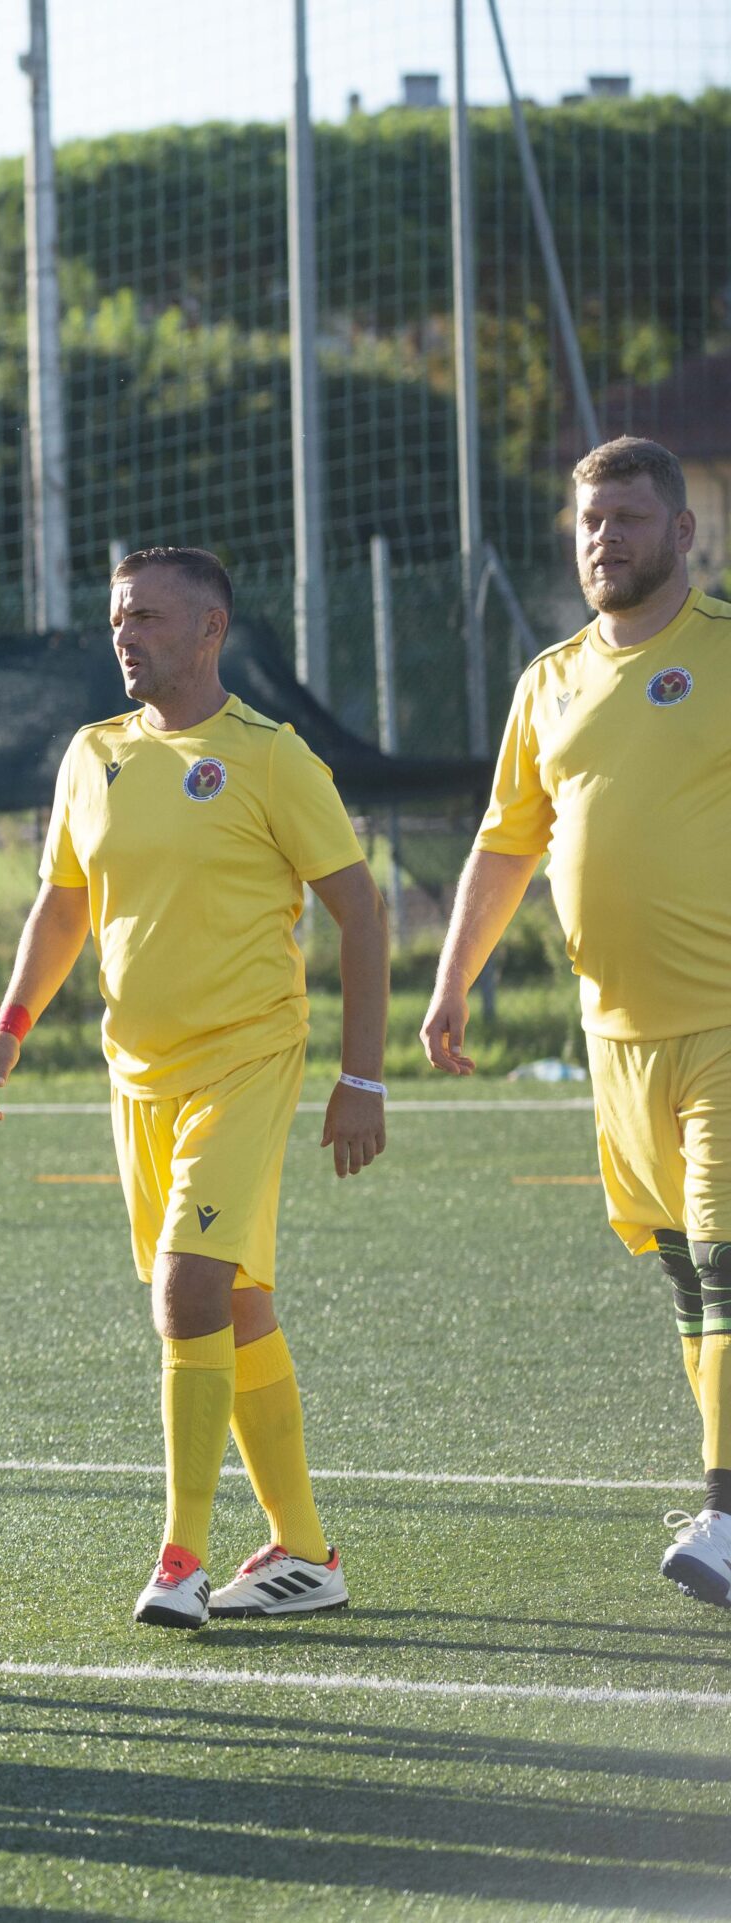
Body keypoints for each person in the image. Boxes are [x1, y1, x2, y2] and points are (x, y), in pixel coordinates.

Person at [0, 546, 388, 1630]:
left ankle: (183, 1557)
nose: (126, 634)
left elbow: (361, 911)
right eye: (118, 617)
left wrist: (362, 1076)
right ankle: (307, 1554)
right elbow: (64, 904)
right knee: (234, 1302)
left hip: (246, 1060)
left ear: (211, 629)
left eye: (148, 616)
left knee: (187, 1294)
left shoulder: (270, 757)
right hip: (136, 1077)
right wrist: (11, 1027)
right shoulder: (92, 753)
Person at [419, 436, 731, 1603]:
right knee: (689, 1281)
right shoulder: (547, 681)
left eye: (629, 519)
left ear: (683, 533)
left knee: (728, 1264)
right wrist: (452, 979)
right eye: (591, 522)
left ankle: (726, 1515)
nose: (605, 540)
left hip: (725, 1024)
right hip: (615, 1042)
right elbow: (508, 844)